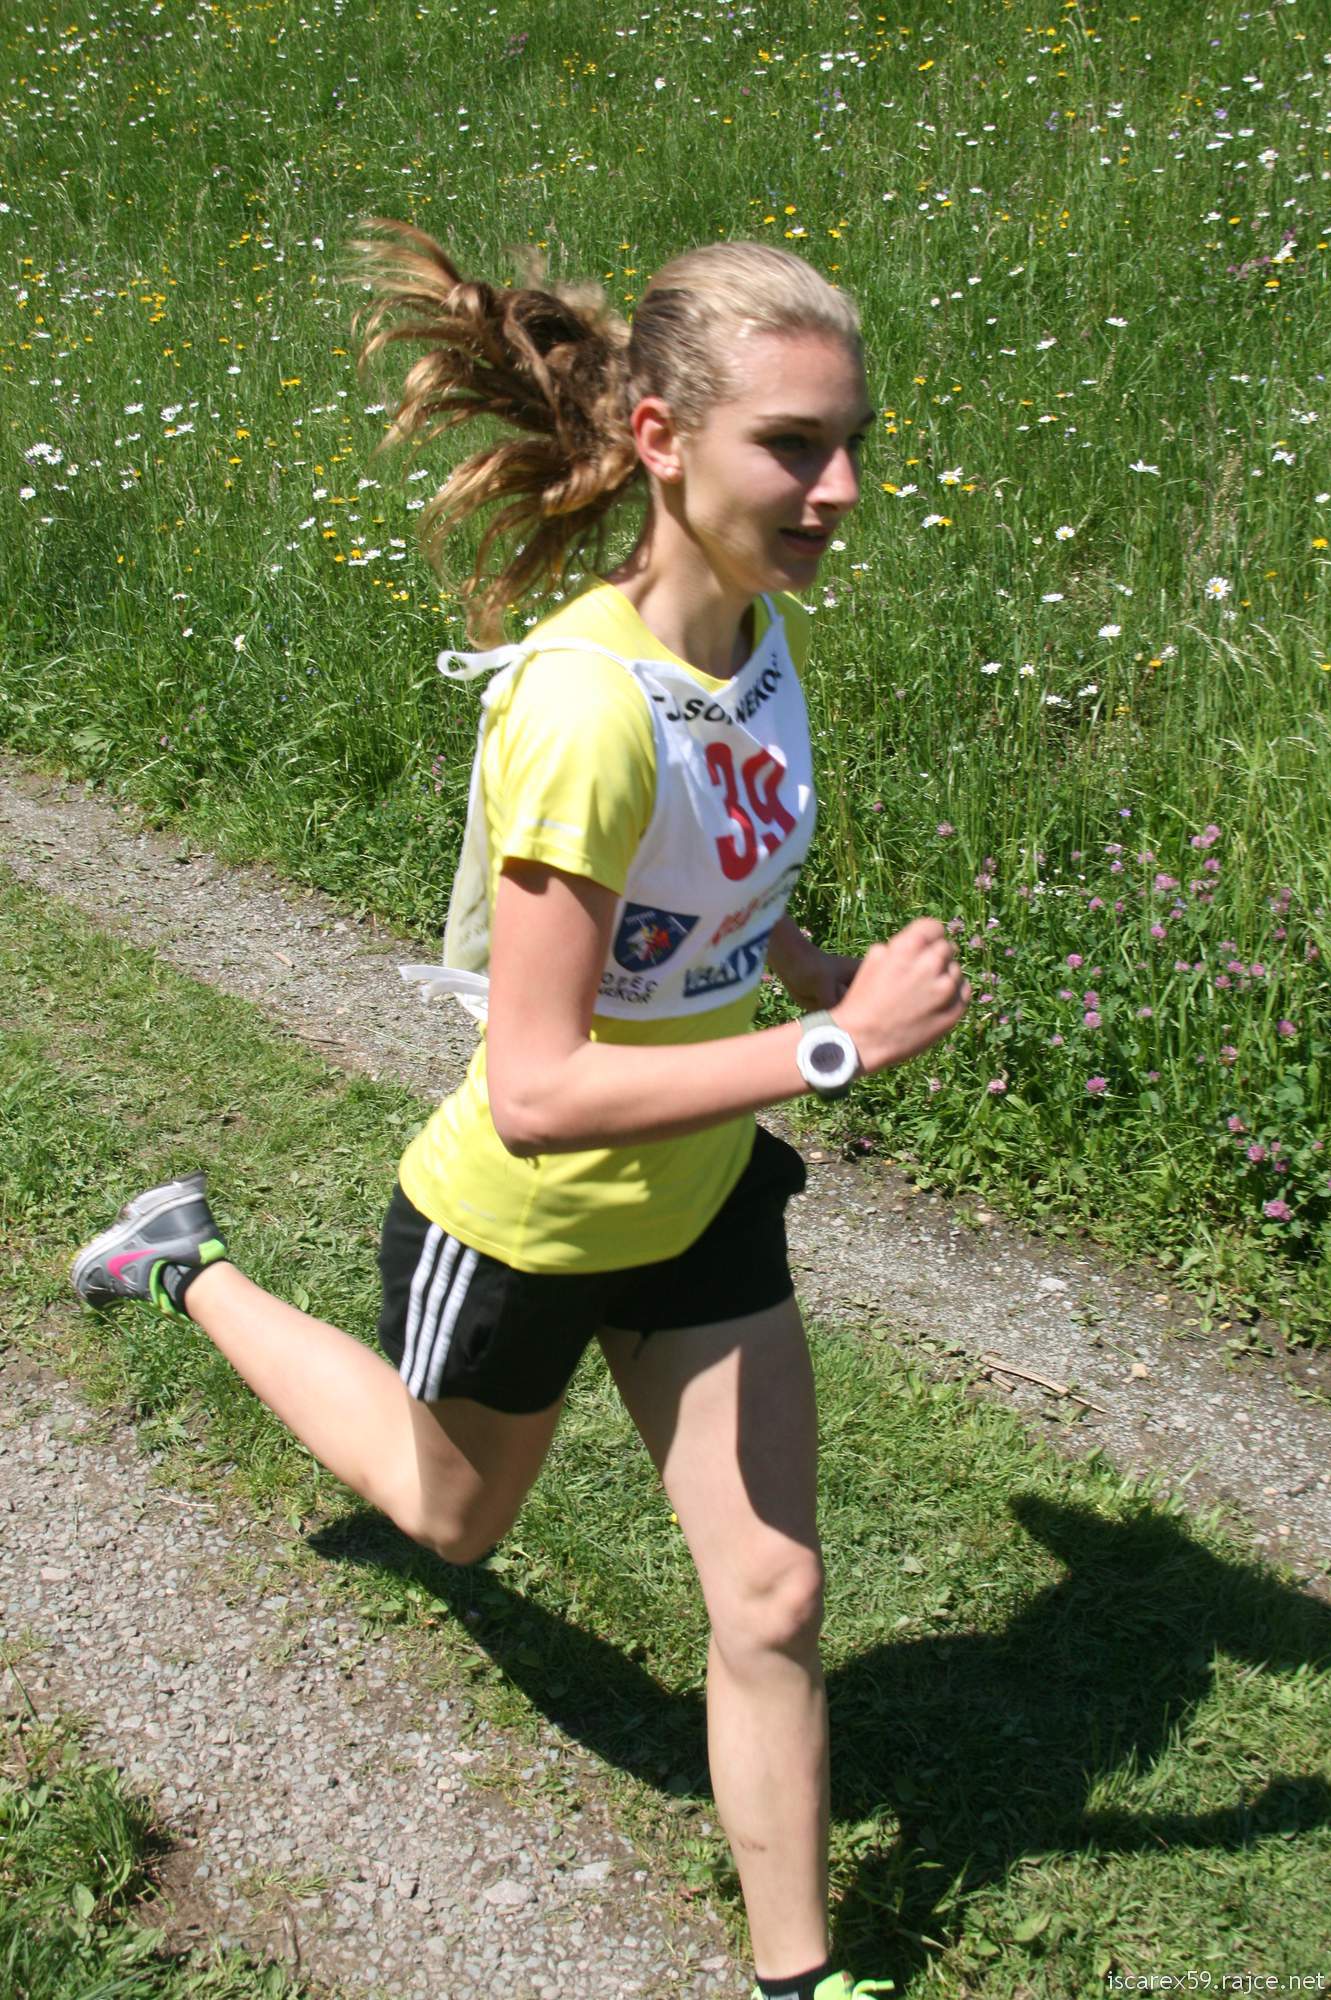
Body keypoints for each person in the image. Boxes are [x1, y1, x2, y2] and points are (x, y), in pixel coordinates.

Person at [72, 222, 970, 2000]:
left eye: (852, 442)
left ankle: (795, 1983)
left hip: (697, 1195)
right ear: (659, 439)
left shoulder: (753, 640)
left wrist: (807, 971)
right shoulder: (580, 710)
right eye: (795, 446)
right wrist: (838, 1051)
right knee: (451, 1520)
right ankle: (180, 1261)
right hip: (527, 1224)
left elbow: (711, 887)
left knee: (774, 1596)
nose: (841, 489)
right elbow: (542, 1091)